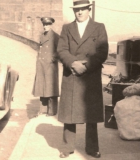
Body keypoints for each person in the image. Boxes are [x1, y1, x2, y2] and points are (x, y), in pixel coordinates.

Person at [57, 0, 108, 158]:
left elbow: (102, 51)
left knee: (90, 115)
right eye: (76, 10)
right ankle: (67, 148)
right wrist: (73, 63)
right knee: (69, 114)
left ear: (88, 10)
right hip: (71, 74)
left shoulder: (99, 27)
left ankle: (92, 148)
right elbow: (61, 49)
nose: (79, 12)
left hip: (90, 75)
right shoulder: (67, 28)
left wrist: (86, 66)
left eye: (82, 9)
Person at [32, 17, 60, 117]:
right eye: (44, 24)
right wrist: (39, 59)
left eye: (47, 24)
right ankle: (43, 109)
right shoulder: (42, 36)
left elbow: (60, 50)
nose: (45, 26)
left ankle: (52, 111)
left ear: (51, 25)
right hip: (41, 65)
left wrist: (52, 59)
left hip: (50, 66)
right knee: (41, 87)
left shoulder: (56, 36)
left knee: (50, 88)